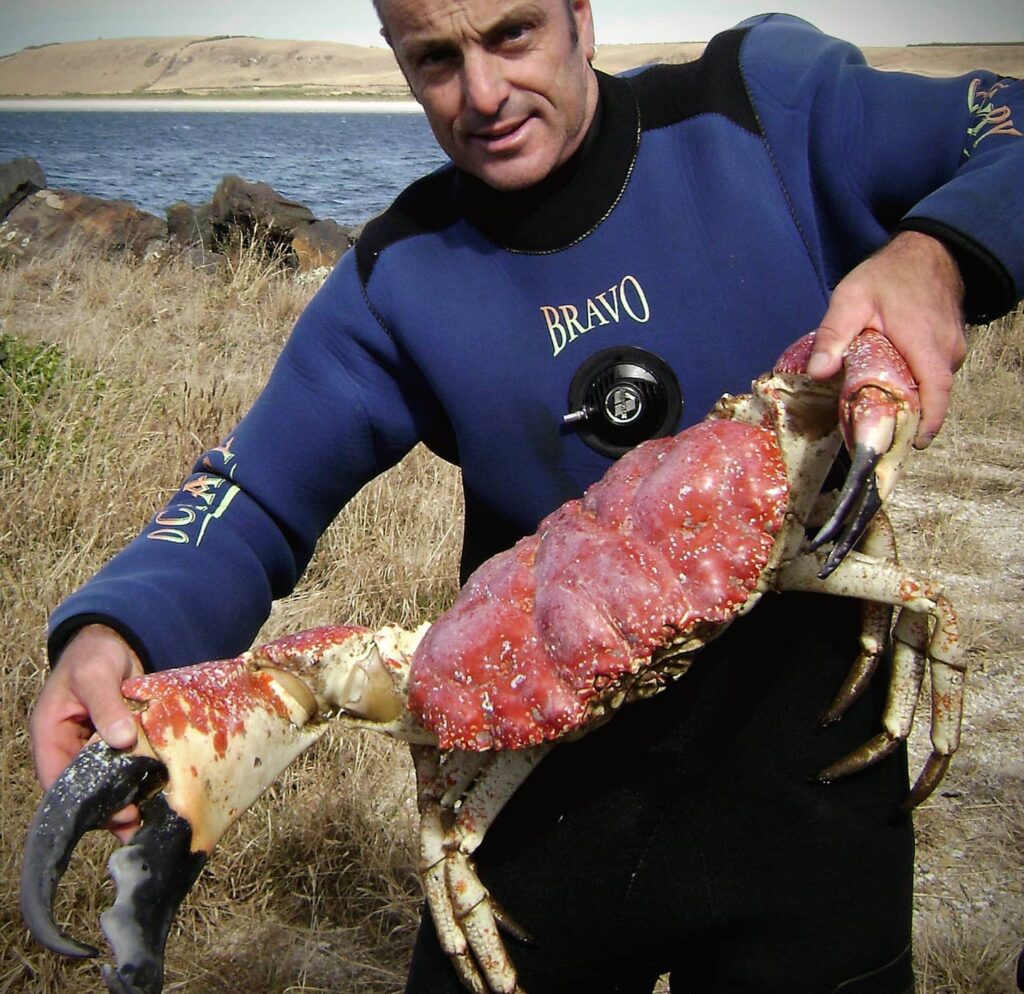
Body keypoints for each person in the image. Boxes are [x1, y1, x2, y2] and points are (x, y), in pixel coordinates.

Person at [29, 1, 1023, 991]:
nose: (483, 94)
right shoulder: (401, 275)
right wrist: (120, 628)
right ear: (396, 56)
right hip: (538, 801)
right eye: (435, 58)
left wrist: (937, 251)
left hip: (812, 799)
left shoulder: (764, 109)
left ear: (579, 15)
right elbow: (251, 490)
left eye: (512, 33)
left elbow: (1005, 124)